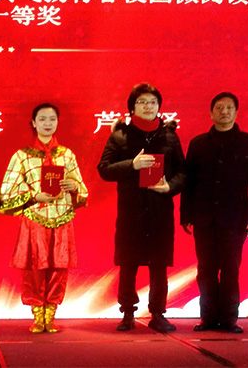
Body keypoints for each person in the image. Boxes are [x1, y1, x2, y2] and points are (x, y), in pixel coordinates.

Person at [97, 83, 186, 332]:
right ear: (132, 107)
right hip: (131, 212)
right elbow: (104, 169)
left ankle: (158, 313)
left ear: (159, 107)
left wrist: (170, 187)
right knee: (129, 264)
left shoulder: (169, 136)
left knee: (159, 265)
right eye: (142, 102)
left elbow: (183, 172)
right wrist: (132, 165)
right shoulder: (120, 136)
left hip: (160, 211)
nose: (148, 107)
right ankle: (127, 313)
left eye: (153, 102)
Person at [0, 103, 88, 333]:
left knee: (59, 268)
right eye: (42, 119)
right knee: (34, 269)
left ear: (58, 122)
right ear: (33, 123)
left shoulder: (67, 155)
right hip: (34, 219)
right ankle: (38, 315)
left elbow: (82, 190)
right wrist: (34, 196)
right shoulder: (21, 156)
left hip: (62, 218)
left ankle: (51, 313)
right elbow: (7, 192)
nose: (48, 123)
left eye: (52, 119)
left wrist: (73, 186)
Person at [180, 92, 248, 334]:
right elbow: (189, 183)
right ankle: (207, 318)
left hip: (235, 218)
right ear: (211, 113)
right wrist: (186, 215)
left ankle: (229, 319)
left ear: (236, 113)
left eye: (229, 108)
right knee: (205, 269)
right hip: (203, 217)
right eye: (219, 107)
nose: (224, 112)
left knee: (230, 269)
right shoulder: (198, 144)